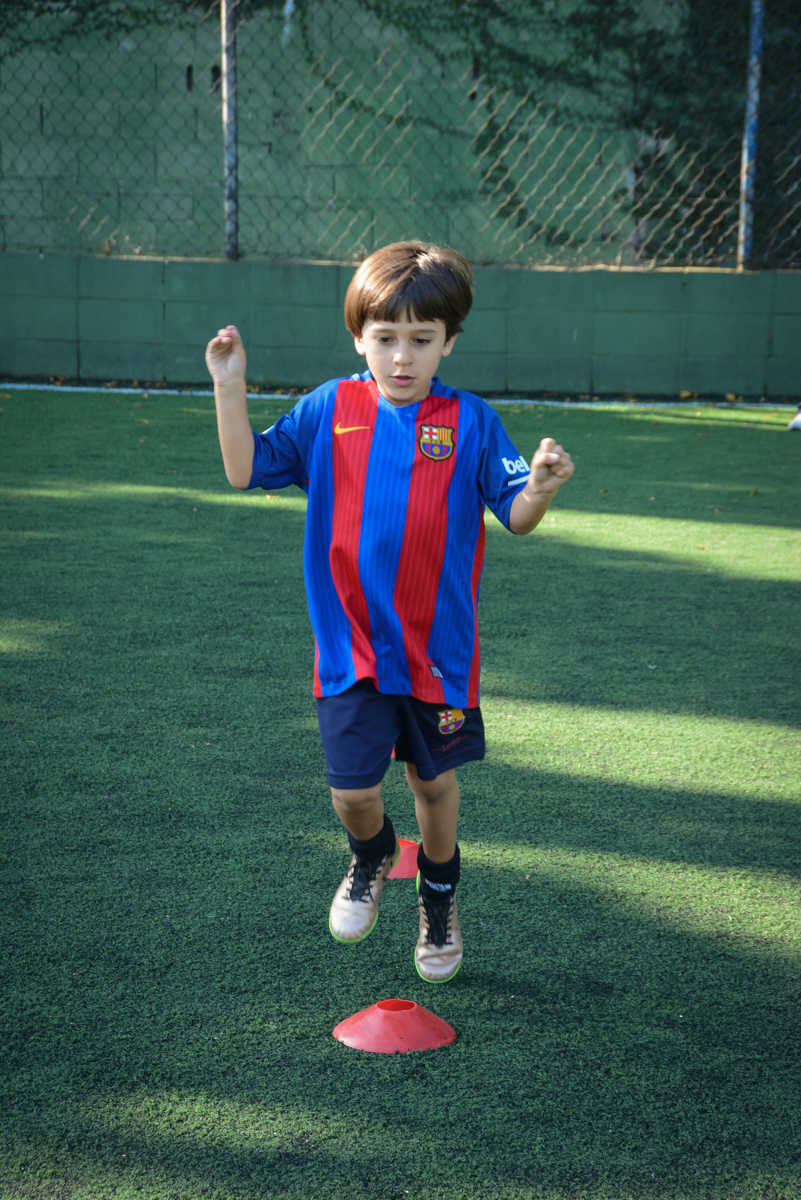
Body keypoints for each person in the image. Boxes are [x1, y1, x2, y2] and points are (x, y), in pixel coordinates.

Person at [205, 242, 574, 984]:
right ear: (358, 336)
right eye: (385, 338)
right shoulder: (327, 410)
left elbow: (517, 515)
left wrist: (539, 485)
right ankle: (372, 855)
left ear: (449, 341)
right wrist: (229, 387)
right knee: (353, 792)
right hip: (350, 649)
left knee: (433, 786)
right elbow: (244, 469)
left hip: (438, 652)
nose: (401, 356)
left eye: (420, 340)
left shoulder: (469, 421)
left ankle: (437, 899)